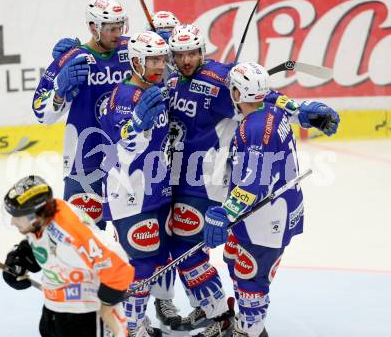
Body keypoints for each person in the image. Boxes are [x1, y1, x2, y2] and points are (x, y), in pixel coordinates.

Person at [164, 23, 340, 336]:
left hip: (207, 182)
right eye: (180, 54)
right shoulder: (173, 80)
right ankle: (222, 313)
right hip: (180, 177)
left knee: (192, 252)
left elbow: (266, 98)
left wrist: (300, 110)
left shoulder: (220, 81)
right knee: (228, 257)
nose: (187, 59)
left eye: (192, 52)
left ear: (202, 50)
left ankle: (220, 315)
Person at [203, 62, 307, 337]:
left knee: (251, 279)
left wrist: (225, 212)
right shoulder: (271, 110)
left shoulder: (256, 129)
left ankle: (250, 331)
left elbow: (253, 183)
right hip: (262, 213)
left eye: (231, 90)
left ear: (238, 94)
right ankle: (246, 324)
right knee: (234, 259)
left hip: (266, 218)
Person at [99, 31, 175, 337]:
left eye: (161, 59)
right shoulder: (123, 97)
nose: (159, 65)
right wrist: (136, 126)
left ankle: (137, 321)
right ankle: (128, 328)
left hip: (155, 190)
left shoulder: (156, 90)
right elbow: (122, 145)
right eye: (151, 60)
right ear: (134, 62)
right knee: (140, 266)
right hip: (129, 194)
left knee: (155, 260)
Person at [31, 0, 131, 229]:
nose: (117, 33)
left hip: (130, 160)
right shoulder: (73, 59)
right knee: (79, 235)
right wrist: (58, 91)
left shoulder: (132, 52)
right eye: (111, 28)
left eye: (120, 26)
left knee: (135, 240)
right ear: (93, 27)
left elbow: (167, 69)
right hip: (83, 161)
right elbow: (41, 114)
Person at [2, 175, 134, 337]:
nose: (13, 221)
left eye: (17, 215)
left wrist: (107, 303)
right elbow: (43, 243)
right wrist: (21, 259)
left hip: (86, 316)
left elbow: (118, 265)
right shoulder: (41, 219)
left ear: (35, 215)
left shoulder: (72, 230)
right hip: (55, 310)